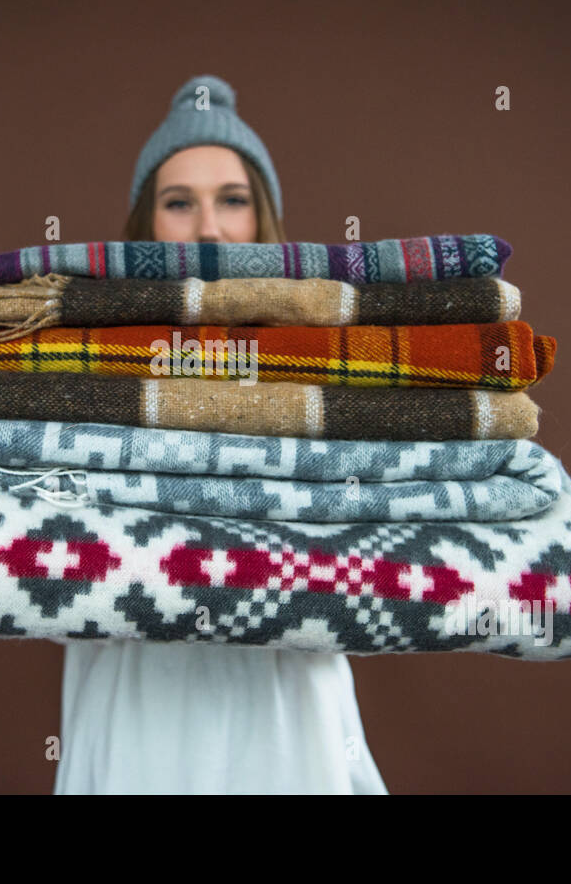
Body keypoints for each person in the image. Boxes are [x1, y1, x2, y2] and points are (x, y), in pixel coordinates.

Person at [52, 74, 389, 794]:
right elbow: (43, 552)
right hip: (137, 715)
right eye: (180, 203)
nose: (209, 228)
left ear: (263, 221)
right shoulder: (78, 368)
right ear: (145, 230)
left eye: (232, 200)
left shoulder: (333, 371)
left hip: (290, 719)